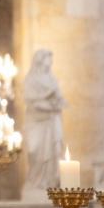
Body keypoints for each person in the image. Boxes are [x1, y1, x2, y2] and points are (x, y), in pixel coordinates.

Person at [22, 49, 65, 198]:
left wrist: (57, 104)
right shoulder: (30, 80)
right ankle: (36, 183)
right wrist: (47, 97)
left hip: (51, 122)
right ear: (40, 61)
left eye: (51, 62)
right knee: (34, 152)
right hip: (36, 122)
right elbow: (29, 100)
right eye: (48, 60)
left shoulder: (52, 79)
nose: (50, 64)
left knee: (54, 152)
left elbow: (59, 99)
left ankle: (50, 183)